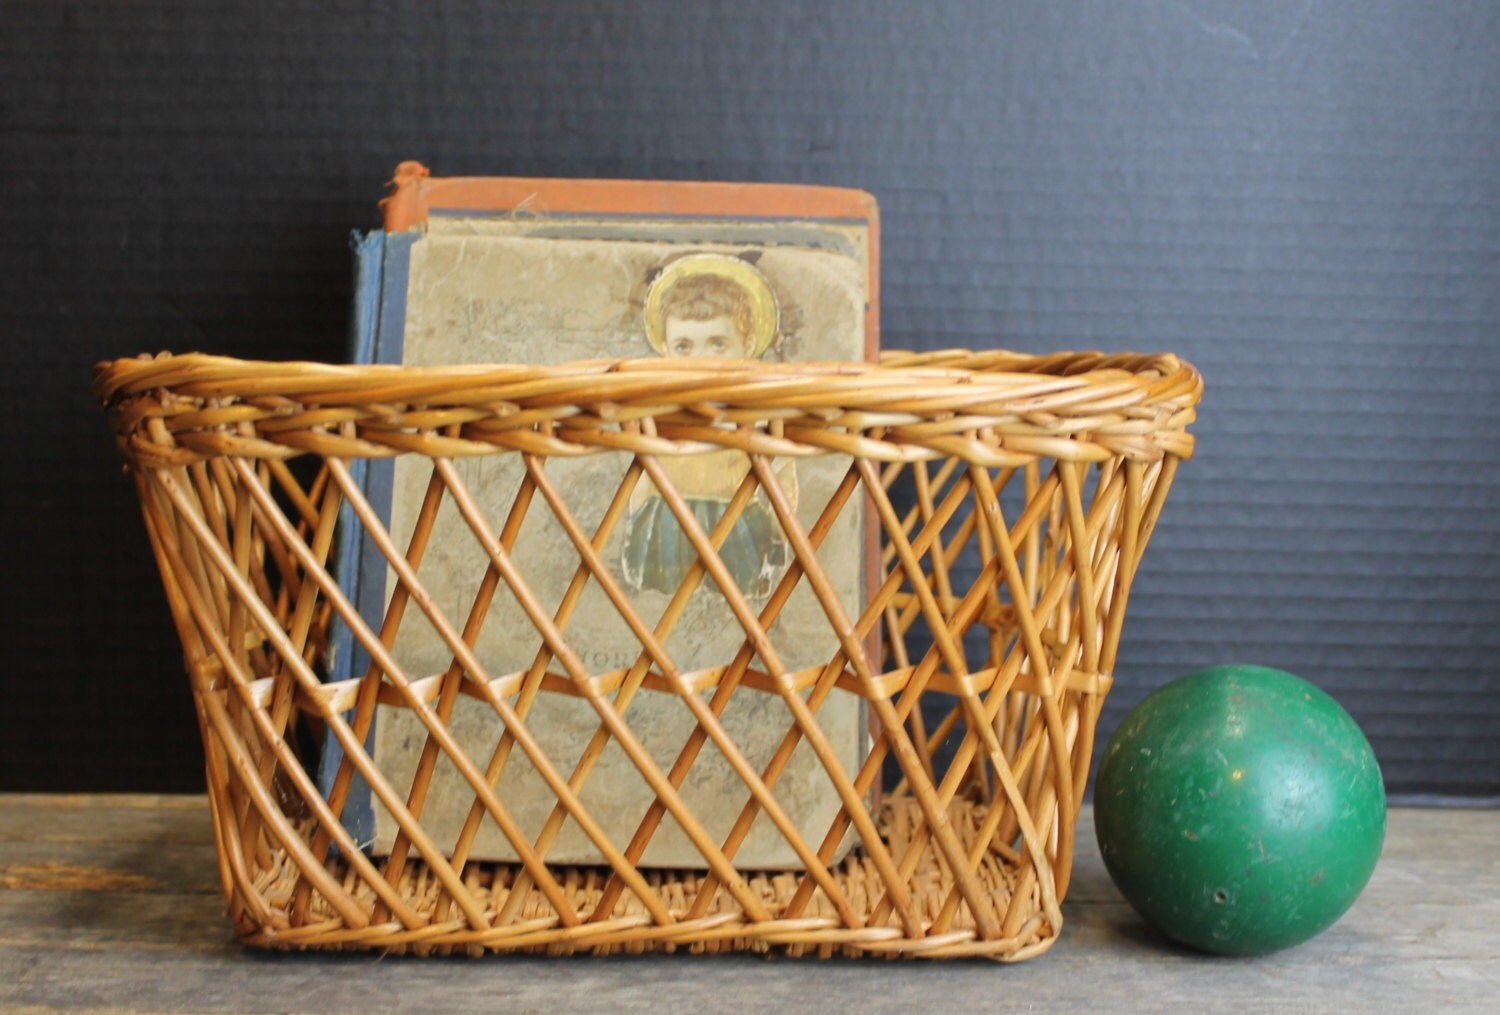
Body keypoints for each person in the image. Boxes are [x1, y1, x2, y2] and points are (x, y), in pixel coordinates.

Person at [621, 253, 797, 601]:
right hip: (667, 526)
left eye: (717, 344)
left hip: (736, 528)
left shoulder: (757, 413)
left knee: (733, 598)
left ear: (746, 346)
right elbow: (641, 480)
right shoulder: (660, 414)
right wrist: (637, 516)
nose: (699, 360)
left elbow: (782, 480)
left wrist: (778, 531)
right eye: (684, 347)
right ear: (666, 352)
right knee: (667, 598)